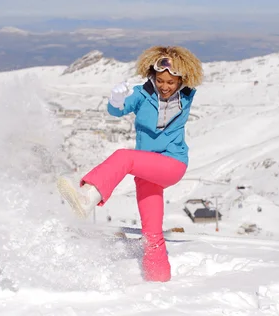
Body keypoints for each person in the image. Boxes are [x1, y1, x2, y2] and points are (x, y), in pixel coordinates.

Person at [57, 45, 203, 282]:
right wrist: (115, 100)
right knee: (151, 233)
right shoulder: (142, 94)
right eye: (160, 80)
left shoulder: (185, 97)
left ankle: (88, 197)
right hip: (146, 172)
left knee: (125, 157)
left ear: (180, 81)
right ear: (152, 76)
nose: (165, 86)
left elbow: (191, 74)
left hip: (171, 164)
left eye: (171, 82)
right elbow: (117, 111)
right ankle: (158, 281)